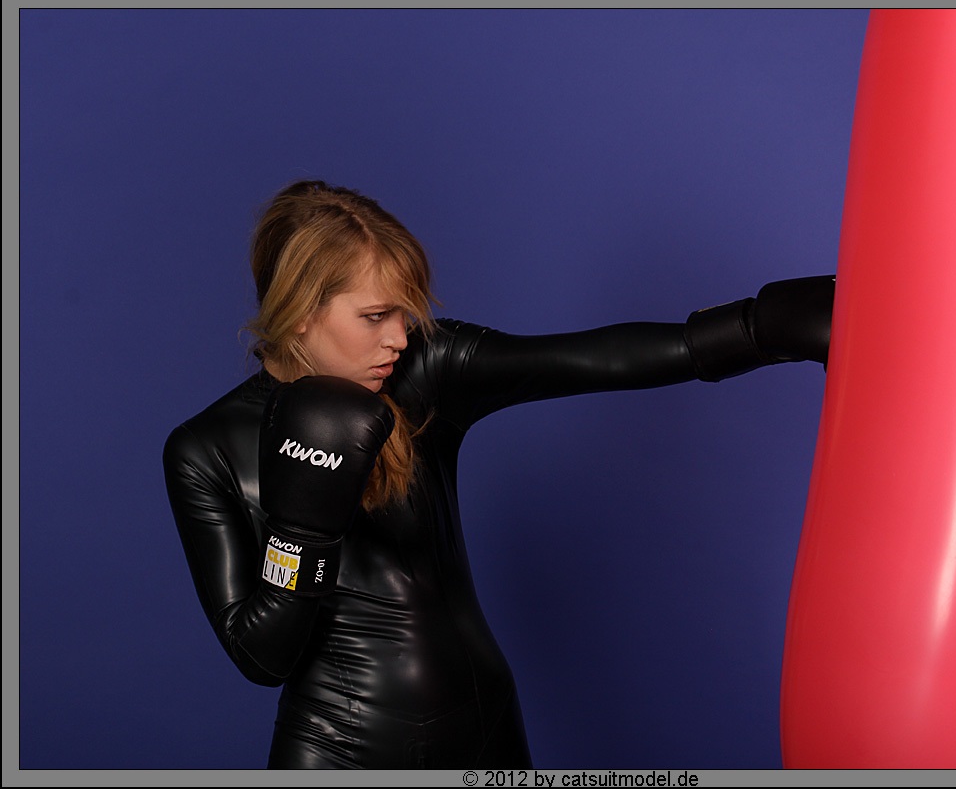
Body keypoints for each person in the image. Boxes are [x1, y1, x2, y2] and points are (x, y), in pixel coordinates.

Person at [162, 179, 835, 769]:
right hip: (336, 750)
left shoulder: (424, 370)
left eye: (404, 311)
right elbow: (262, 658)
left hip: (481, 729)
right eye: (373, 316)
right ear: (300, 312)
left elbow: (582, 361)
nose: (398, 337)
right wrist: (302, 532)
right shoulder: (205, 449)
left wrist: (755, 328)